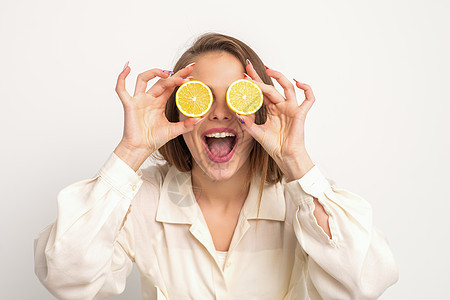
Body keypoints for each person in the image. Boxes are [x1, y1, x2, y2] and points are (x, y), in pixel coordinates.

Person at [34, 33, 398, 300]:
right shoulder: (143, 200)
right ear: (178, 108)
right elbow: (65, 277)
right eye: (201, 97)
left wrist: (295, 160)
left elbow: (364, 284)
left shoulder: (301, 202)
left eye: (237, 95)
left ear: (260, 107)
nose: (220, 112)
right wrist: (132, 149)